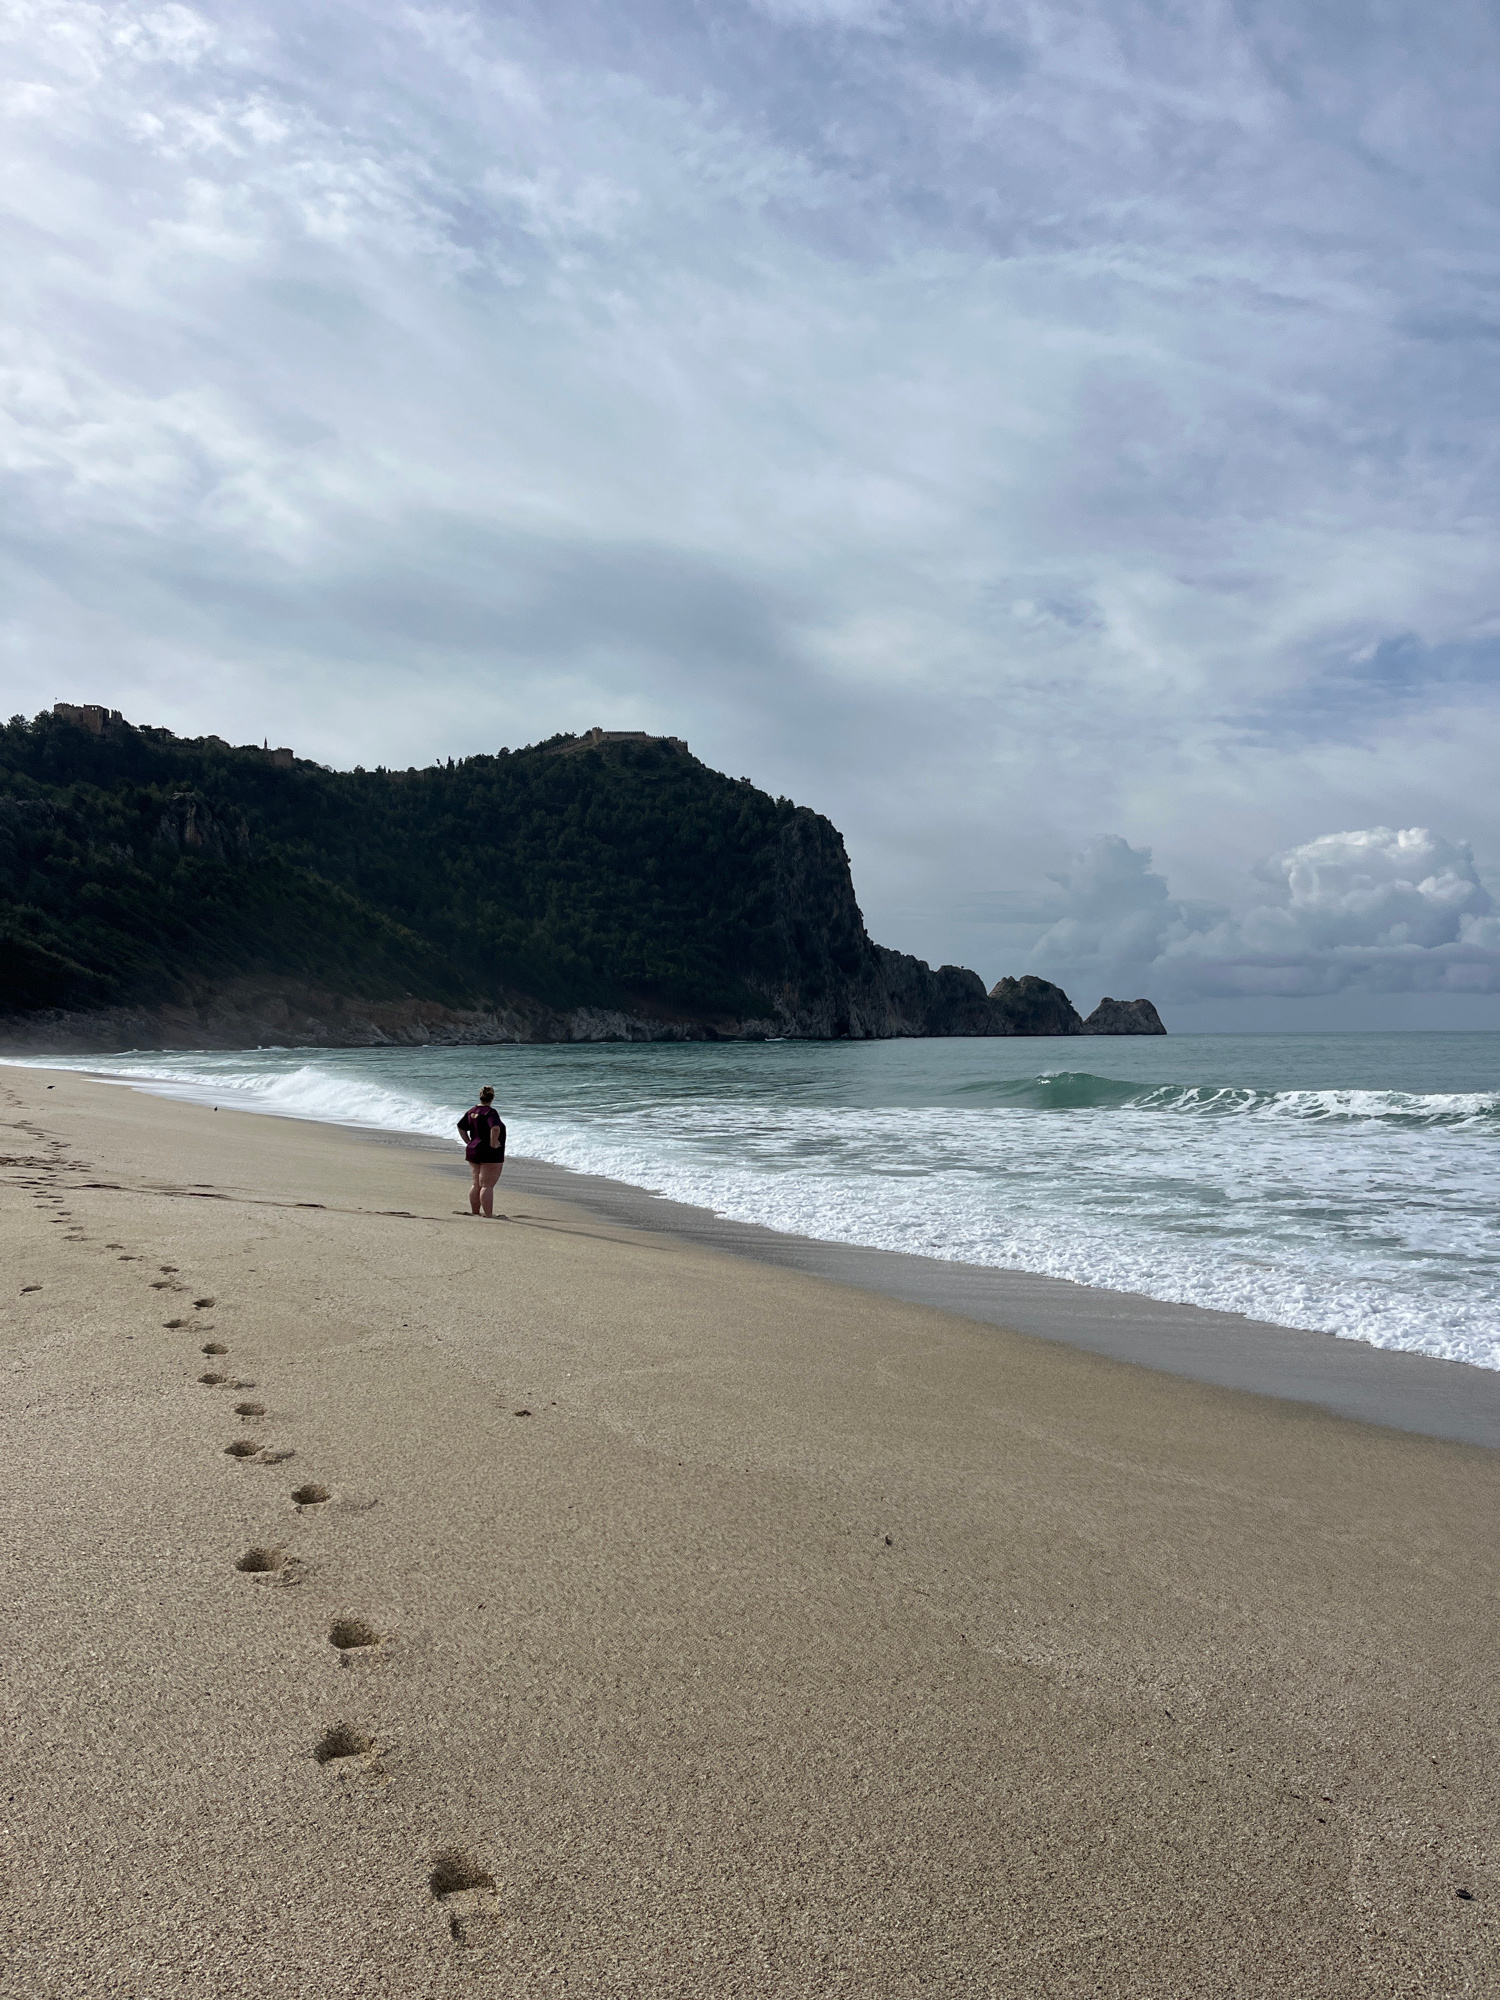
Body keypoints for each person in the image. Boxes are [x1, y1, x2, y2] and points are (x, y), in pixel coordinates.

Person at [458, 1085, 506, 1217]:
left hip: (473, 1150)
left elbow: (461, 1126)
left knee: (476, 1184)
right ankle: (488, 1214)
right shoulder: (490, 1112)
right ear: (492, 1097)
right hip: (489, 1153)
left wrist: (468, 1141)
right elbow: (495, 1128)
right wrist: (493, 1143)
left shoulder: (472, 1111)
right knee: (487, 1185)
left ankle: (475, 1212)